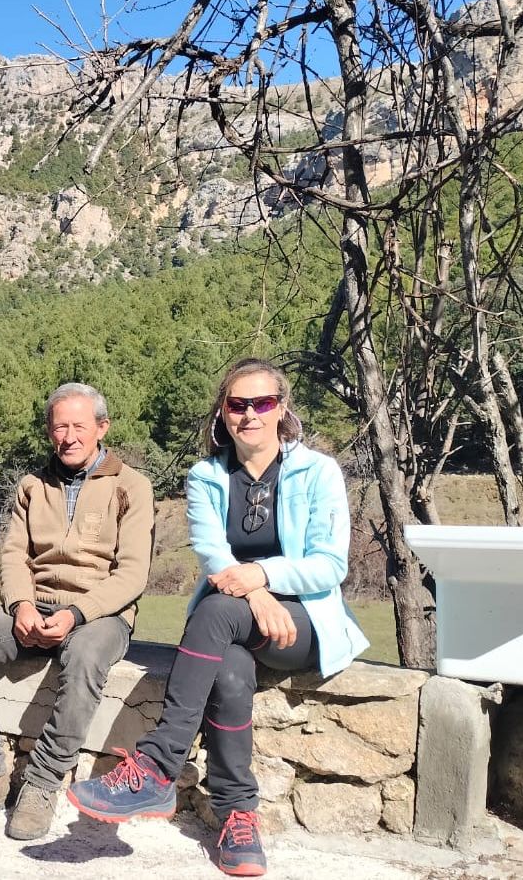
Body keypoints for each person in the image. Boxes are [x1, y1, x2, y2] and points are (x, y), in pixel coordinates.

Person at [65, 358, 368, 878]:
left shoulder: (318, 472)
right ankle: (238, 818)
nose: (250, 414)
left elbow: (328, 565)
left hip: (301, 623)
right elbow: (213, 557)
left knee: (216, 607)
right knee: (228, 672)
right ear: (223, 413)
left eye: (262, 403)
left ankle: (158, 765)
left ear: (282, 410)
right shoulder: (206, 475)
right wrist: (253, 592)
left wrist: (261, 578)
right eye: (237, 404)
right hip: (238, 618)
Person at [0, 382, 156, 840]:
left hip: (101, 614)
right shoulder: (32, 485)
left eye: (79, 426)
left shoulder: (131, 486)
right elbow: (14, 556)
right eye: (59, 427)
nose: (69, 436)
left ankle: (42, 782)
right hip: (33, 607)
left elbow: (132, 574)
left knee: (84, 658)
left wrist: (77, 614)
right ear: (48, 432)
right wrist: (18, 605)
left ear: (102, 427)